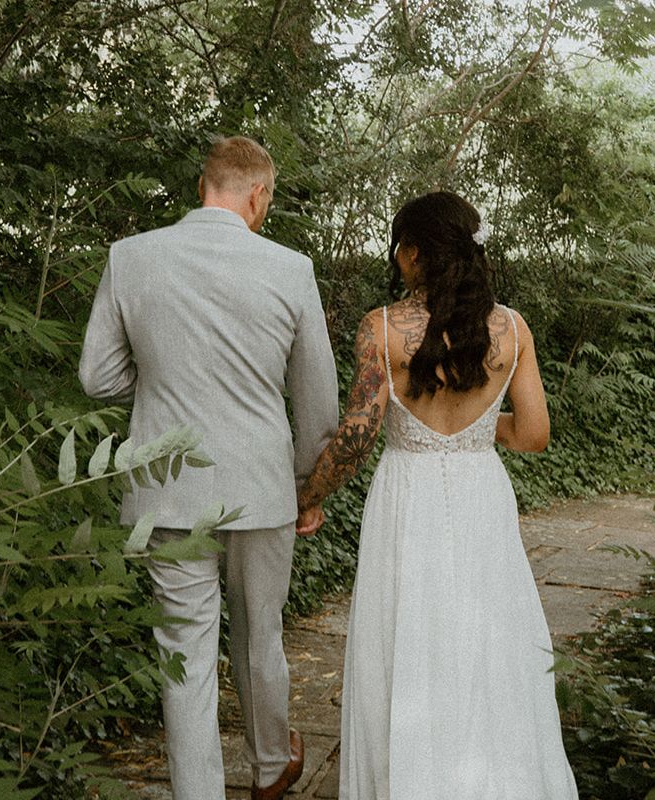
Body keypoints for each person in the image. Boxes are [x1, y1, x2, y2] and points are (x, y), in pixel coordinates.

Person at [78, 135, 339, 800]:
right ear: (256, 195)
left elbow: (97, 376)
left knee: (185, 654)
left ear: (203, 188)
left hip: (166, 487)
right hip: (261, 484)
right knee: (260, 633)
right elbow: (316, 400)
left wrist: (164, 377)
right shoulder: (289, 268)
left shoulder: (131, 257)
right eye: (267, 201)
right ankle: (270, 766)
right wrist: (311, 485)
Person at [295, 191, 579, 799]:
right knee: (489, 641)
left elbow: (359, 432)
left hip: (407, 496)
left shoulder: (381, 328)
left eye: (400, 248)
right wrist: (481, 427)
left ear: (415, 252)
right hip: (481, 494)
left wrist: (310, 496)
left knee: (403, 640)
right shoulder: (510, 329)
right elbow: (533, 434)